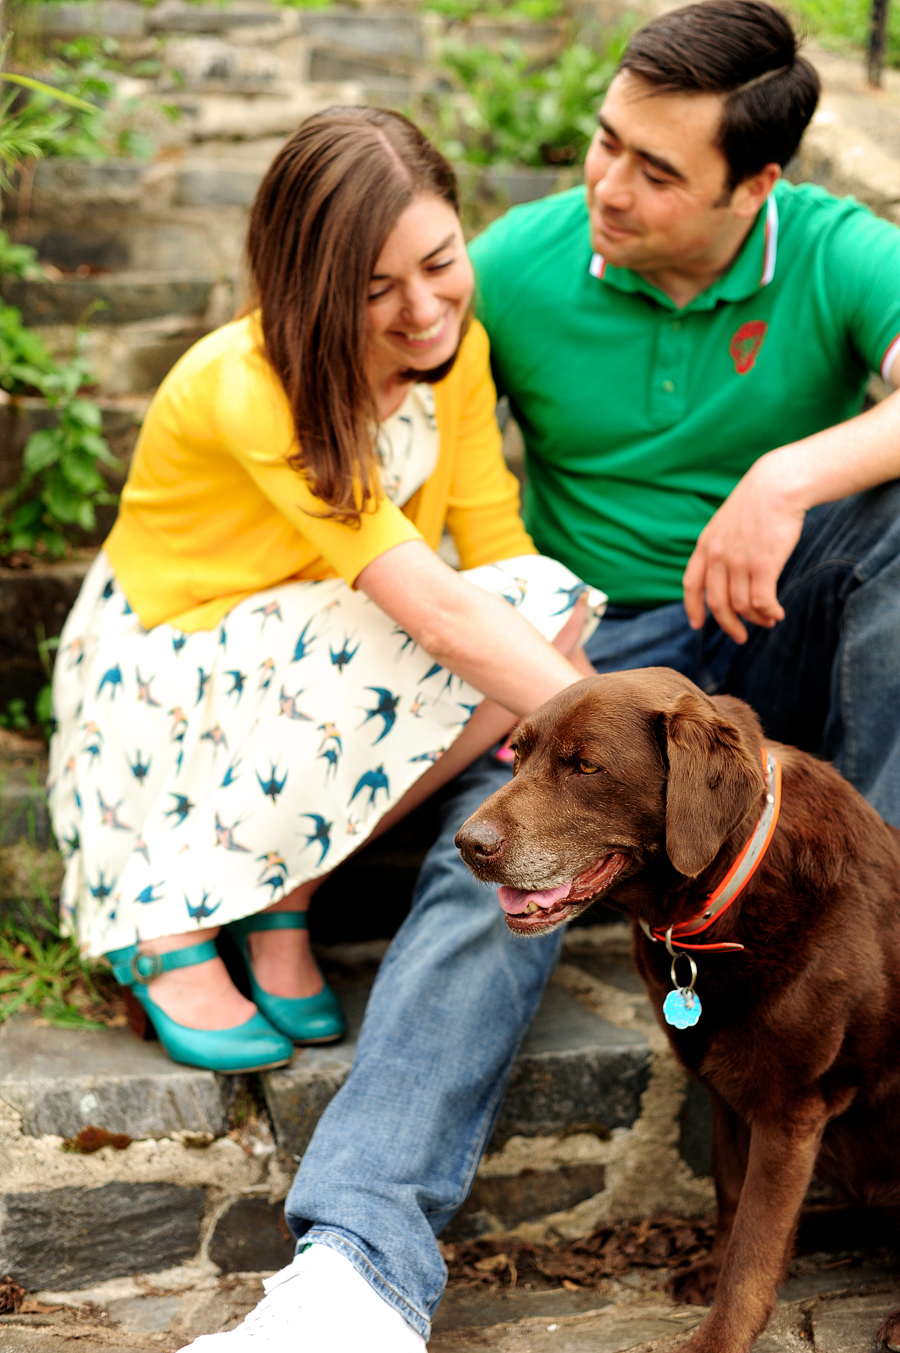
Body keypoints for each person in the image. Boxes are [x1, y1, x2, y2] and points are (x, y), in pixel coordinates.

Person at [182, 2, 900, 1350]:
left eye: (656, 170)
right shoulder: (512, 264)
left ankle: (882, 959)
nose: (606, 188)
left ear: (760, 187)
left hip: (781, 622)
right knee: (500, 861)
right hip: (597, 665)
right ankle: (354, 1271)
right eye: (603, 142)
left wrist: (790, 473)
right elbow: (328, 371)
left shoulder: (842, 255)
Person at [48, 108, 603, 1086]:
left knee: (545, 603)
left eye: (439, 262)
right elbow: (434, 612)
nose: (424, 308)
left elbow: (496, 543)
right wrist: (614, 730)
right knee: (479, 629)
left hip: (325, 647)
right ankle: (172, 914)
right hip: (181, 656)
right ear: (310, 287)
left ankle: (286, 885)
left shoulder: (456, 354)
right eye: (374, 288)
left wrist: (572, 682)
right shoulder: (253, 383)